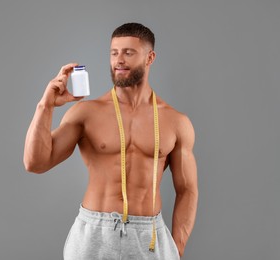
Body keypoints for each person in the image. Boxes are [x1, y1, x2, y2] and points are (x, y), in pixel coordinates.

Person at [24, 23, 198, 260]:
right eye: (114, 52)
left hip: (149, 235)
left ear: (150, 57)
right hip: (94, 233)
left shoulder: (176, 121)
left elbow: (187, 189)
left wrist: (177, 248)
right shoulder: (86, 113)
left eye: (128, 52)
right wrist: (45, 106)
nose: (119, 60)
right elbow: (35, 163)